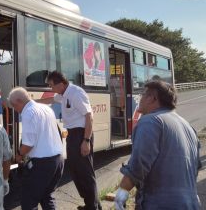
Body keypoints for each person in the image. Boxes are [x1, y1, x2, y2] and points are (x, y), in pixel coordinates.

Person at [114, 80, 201, 209]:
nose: (140, 98)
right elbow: (196, 166)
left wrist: (123, 190)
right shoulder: (187, 125)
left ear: (152, 98)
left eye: (142, 95)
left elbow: (139, 164)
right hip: (191, 203)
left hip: (160, 204)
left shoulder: (150, 121)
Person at [45, 71, 101, 210]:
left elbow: (89, 116)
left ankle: (93, 207)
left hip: (81, 134)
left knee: (85, 172)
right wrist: (30, 102)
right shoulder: (63, 94)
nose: (51, 89)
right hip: (72, 135)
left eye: (52, 85)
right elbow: (51, 100)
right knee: (76, 170)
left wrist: (86, 140)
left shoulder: (76, 93)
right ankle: (90, 204)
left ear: (61, 84)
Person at [8, 87, 64, 210]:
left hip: (42, 164)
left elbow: (28, 144)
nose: (15, 109)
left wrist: (18, 155)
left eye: (14, 105)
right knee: (47, 196)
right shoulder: (46, 108)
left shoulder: (28, 113)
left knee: (29, 199)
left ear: (19, 101)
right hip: (58, 160)